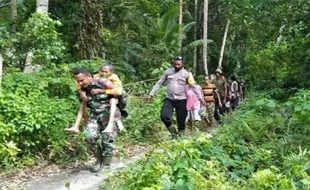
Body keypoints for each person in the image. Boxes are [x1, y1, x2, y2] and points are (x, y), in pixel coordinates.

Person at [73, 68, 121, 172]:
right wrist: (85, 122)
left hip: (109, 114)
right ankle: (99, 160)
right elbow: (84, 106)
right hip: (94, 115)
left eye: (82, 80)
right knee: (89, 136)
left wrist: (103, 91)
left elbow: (118, 93)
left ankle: (107, 165)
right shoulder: (82, 89)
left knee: (107, 139)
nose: (80, 83)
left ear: (89, 76)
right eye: (78, 81)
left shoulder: (103, 82)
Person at [146, 56, 204, 139]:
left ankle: (181, 138)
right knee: (164, 116)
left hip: (181, 100)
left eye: (179, 64)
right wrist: (151, 94)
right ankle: (174, 133)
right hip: (169, 99)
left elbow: (193, 86)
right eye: (175, 64)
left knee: (181, 120)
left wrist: (200, 98)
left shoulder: (187, 74)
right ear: (173, 63)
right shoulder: (168, 72)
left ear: (182, 64)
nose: (177, 66)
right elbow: (159, 83)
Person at [65, 63, 126, 133]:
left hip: (114, 95)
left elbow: (119, 91)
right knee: (84, 100)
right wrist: (81, 92)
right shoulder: (95, 77)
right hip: (98, 102)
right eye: (102, 71)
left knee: (113, 100)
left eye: (106, 72)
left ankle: (110, 124)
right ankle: (77, 125)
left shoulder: (113, 78)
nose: (103, 73)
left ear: (111, 72)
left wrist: (101, 91)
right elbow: (80, 82)